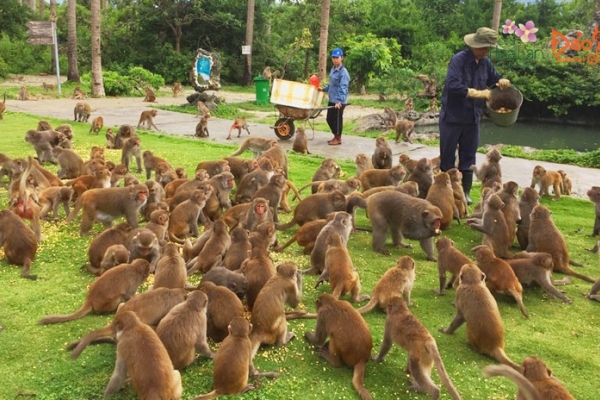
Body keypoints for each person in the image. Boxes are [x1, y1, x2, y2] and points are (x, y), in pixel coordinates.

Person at [439, 27, 511, 204]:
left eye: (488, 48)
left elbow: (494, 78)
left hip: (473, 118)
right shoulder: (459, 60)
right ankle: (446, 193)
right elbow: (453, 85)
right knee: (448, 157)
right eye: (484, 48)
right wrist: (477, 93)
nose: (486, 51)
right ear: (474, 45)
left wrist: (501, 81)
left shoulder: (485, 62)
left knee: (469, 156)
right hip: (452, 117)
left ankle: (465, 193)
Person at [320, 47, 350, 146]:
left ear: (342, 58)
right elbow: (332, 85)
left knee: (337, 120)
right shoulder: (333, 69)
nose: (335, 59)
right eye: (333, 57)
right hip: (332, 99)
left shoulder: (343, 72)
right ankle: (336, 135)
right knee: (329, 119)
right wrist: (323, 89)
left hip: (339, 101)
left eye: (337, 57)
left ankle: (338, 138)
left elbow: (343, 88)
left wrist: (339, 101)